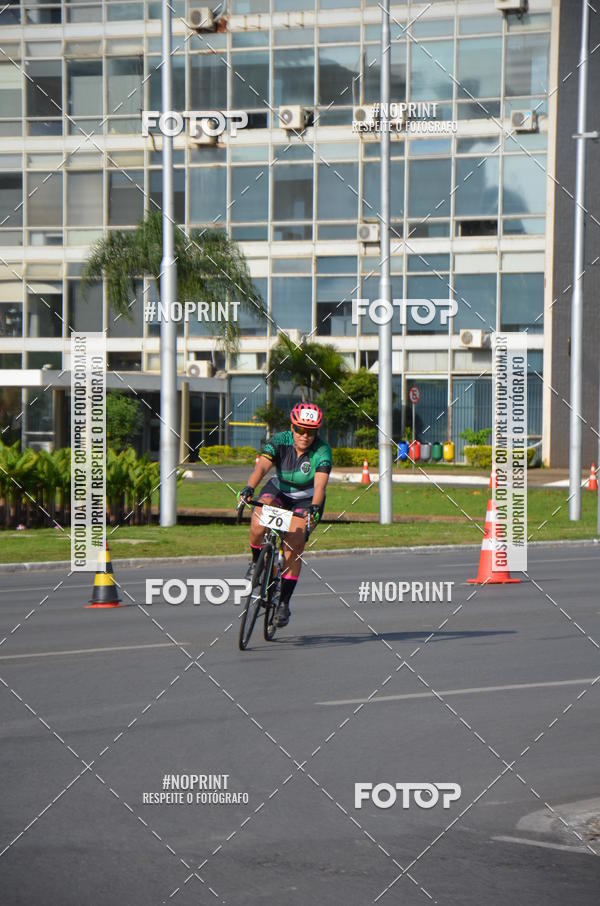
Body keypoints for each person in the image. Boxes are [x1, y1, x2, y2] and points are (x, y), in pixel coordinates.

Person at [238, 402, 332, 627]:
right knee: (258, 521)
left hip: (307, 499)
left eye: (310, 431)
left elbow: (320, 486)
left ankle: (283, 604)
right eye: (300, 429)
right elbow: (261, 468)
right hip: (278, 490)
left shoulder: (322, 450)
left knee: (294, 546)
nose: (305, 435)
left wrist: (315, 507)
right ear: (292, 427)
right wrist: (249, 488)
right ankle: (257, 563)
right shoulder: (280, 440)